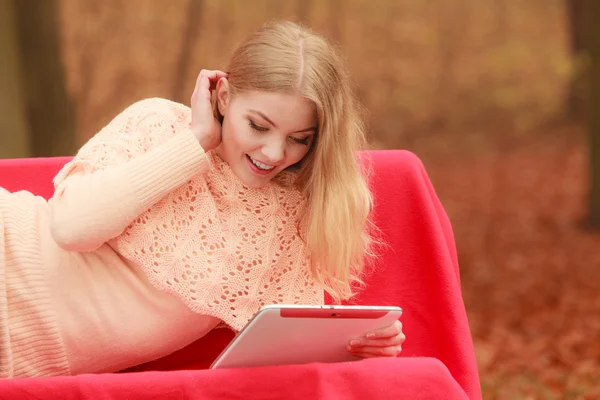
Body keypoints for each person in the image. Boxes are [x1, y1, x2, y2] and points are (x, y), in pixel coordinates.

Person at [0, 20, 405, 379]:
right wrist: (196, 142)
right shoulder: (158, 123)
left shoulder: (288, 226)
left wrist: (355, 347)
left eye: (299, 139)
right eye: (258, 126)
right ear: (225, 96)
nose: (273, 153)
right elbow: (70, 227)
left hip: (25, 353)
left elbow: (284, 356)